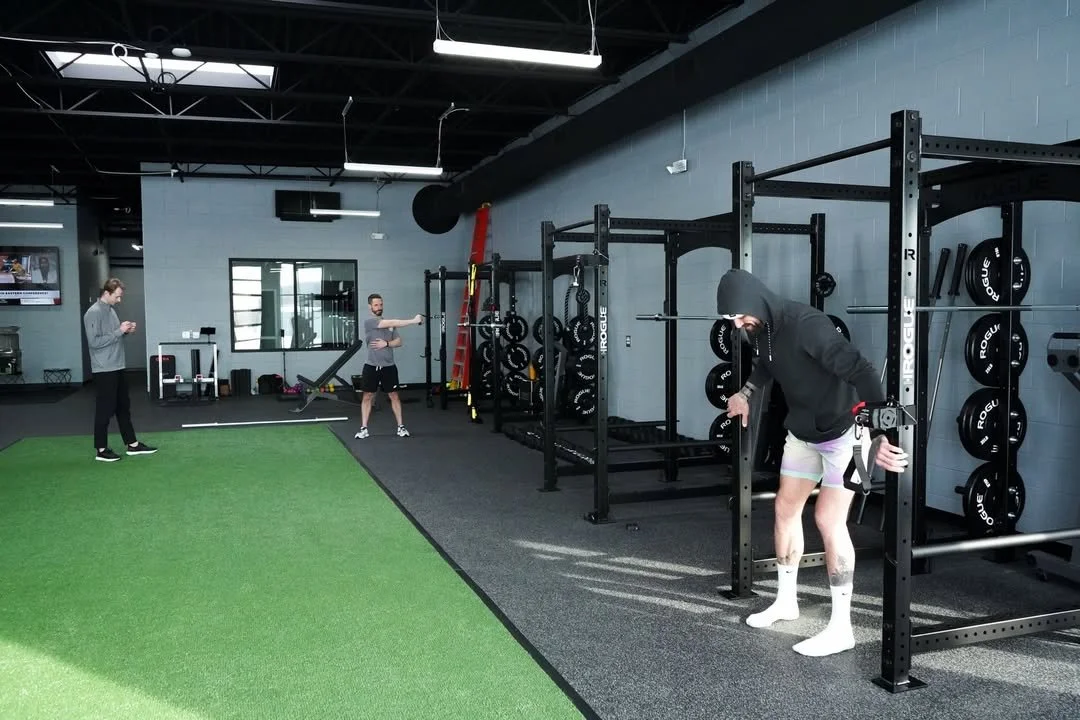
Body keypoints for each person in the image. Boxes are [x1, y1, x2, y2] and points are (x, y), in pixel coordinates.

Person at [716, 268, 908, 657]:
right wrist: (744, 394)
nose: (738, 325)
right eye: (731, 320)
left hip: (845, 434)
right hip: (803, 432)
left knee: (828, 520)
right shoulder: (760, 331)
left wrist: (879, 433)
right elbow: (766, 367)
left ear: (756, 301)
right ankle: (787, 601)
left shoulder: (807, 325)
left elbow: (862, 370)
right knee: (785, 510)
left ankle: (842, 628)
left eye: (739, 316)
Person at [83, 278, 157, 462]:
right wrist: (118, 331)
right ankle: (101, 449)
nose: (119, 300)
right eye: (117, 296)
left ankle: (132, 445)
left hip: (117, 366)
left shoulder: (112, 311)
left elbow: (113, 338)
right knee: (104, 410)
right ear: (106, 293)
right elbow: (94, 343)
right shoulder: (93, 313)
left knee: (124, 407)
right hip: (103, 369)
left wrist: (125, 331)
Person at [353, 293, 423, 439]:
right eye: (376, 305)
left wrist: (387, 344)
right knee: (367, 396)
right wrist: (414, 320)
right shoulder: (369, 322)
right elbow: (393, 322)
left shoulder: (390, 324)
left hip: (389, 366)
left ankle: (401, 427)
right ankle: (364, 428)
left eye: (381, 304)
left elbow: (399, 342)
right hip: (371, 366)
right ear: (370, 307)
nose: (379, 307)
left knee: (394, 396)